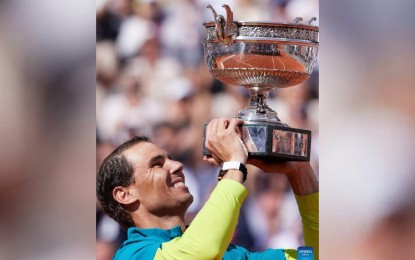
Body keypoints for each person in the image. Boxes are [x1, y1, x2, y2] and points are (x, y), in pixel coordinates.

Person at [96, 118, 319, 259]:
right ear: (124, 194)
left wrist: (299, 172)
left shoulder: (232, 254)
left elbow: (313, 256)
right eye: (156, 164)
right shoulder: (133, 255)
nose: (177, 165)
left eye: (170, 158)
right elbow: (200, 252)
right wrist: (233, 164)